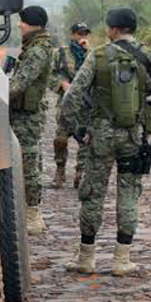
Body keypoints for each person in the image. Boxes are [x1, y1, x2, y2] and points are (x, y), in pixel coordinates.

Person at [58, 7, 151, 276]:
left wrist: (78, 129)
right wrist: (148, 108)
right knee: (129, 192)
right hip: (133, 136)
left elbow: (71, 98)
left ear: (113, 29)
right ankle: (121, 260)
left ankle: (86, 258)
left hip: (101, 136)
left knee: (93, 193)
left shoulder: (98, 55)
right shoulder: (150, 55)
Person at [9, 5, 55, 234]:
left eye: (23, 21)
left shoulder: (37, 51)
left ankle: (33, 216)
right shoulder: (36, 46)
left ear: (34, 24)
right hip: (25, 115)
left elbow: (19, 84)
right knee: (30, 160)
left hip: (27, 117)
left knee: (29, 163)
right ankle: (30, 212)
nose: (20, 25)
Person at [52, 22, 92, 189]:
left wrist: (88, 51)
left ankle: (80, 173)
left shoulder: (93, 55)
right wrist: (61, 83)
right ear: (72, 34)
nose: (82, 36)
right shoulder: (61, 53)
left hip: (86, 103)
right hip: (66, 103)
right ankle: (60, 170)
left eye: (84, 33)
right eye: (79, 33)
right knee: (60, 139)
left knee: (85, 140)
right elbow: (50, 74)